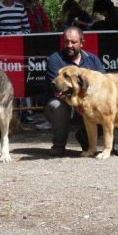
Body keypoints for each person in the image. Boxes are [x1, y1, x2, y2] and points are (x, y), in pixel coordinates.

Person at [44, 26, 107, 156]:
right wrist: (79, 104)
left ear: (82, 43)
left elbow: (103, 85)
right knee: (56, 105)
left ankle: (86, 138)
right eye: (66, 41)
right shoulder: (54, 59)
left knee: (106, 107)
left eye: (73, 42)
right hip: (65, 104)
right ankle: (59, 145)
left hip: (89, 104)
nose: (69, 45)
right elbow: (56, 90)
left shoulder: (92, 59)